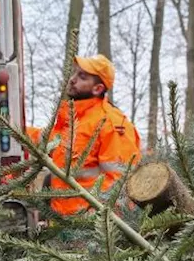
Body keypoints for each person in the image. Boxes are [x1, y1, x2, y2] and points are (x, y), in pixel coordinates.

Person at [32, 54, 142, 216]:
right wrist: (11, 125)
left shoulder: (112, 123)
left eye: (82, 77)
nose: (72, 79)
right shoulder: (74, 119)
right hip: (61, 219)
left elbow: (121, 181)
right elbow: (45, 139)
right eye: (74, 73)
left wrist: (96, 218)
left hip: (90, 226)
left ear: (97, 88)